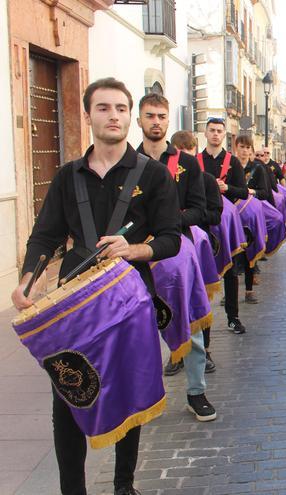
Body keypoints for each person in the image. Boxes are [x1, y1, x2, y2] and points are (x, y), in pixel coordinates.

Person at [11, 77, 181, 495]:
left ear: (130, 117)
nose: (114, 116)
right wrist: (28, 282)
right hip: (74, 306)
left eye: (121, 109)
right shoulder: (67, 176)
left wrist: (134, 249)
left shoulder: (155, 175)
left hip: (129, 302)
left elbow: (171, 238)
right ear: (88, 116)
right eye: (103, 108)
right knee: (68, 395)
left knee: (128, 393)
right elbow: (45, 236)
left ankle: (124, 485)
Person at [134, 94, 217, 422]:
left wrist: (169, 222)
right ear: (139, 121)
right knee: (138, 330)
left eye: (162, 116)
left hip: (176, 255)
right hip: (135, 257)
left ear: (169, 122)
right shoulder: (126, 164)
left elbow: (200, 209)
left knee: (190, 322)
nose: (156, 121)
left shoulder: (186, 164)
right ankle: (142, 397)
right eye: (149, 115)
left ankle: (196, 392)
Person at [171, 130, 220, 373]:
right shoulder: (162, 174)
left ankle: (204, 352)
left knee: (198, 301)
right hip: (168, 250)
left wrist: (184, 219)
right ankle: (176, 353)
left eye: (189, 152)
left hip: (196, 246)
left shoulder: (207, 179)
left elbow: (211, 213)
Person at [198, 117, 249, 333]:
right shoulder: (195, 160)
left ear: (224, 134)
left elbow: (243, 192)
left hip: (226, 224)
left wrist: (226, 187)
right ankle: (202, 321)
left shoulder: (233, 162)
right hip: (203, 223)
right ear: (206, 133)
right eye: (212, 130)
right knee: (200, 274)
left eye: (219, 131)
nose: (216, 134)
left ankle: (233, 316)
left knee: (230, 271)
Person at [233, 134, 266, 304]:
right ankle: (229, 293)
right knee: (232, 254)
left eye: (248, 148)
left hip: (250, 216)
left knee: (248, 253)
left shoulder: (257, 168)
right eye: (242, 147)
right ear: (235, 147)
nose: (245, 151)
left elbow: (264, 192)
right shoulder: (230, 166)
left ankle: (249, 290)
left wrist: (252, 192)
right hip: (233, 216)